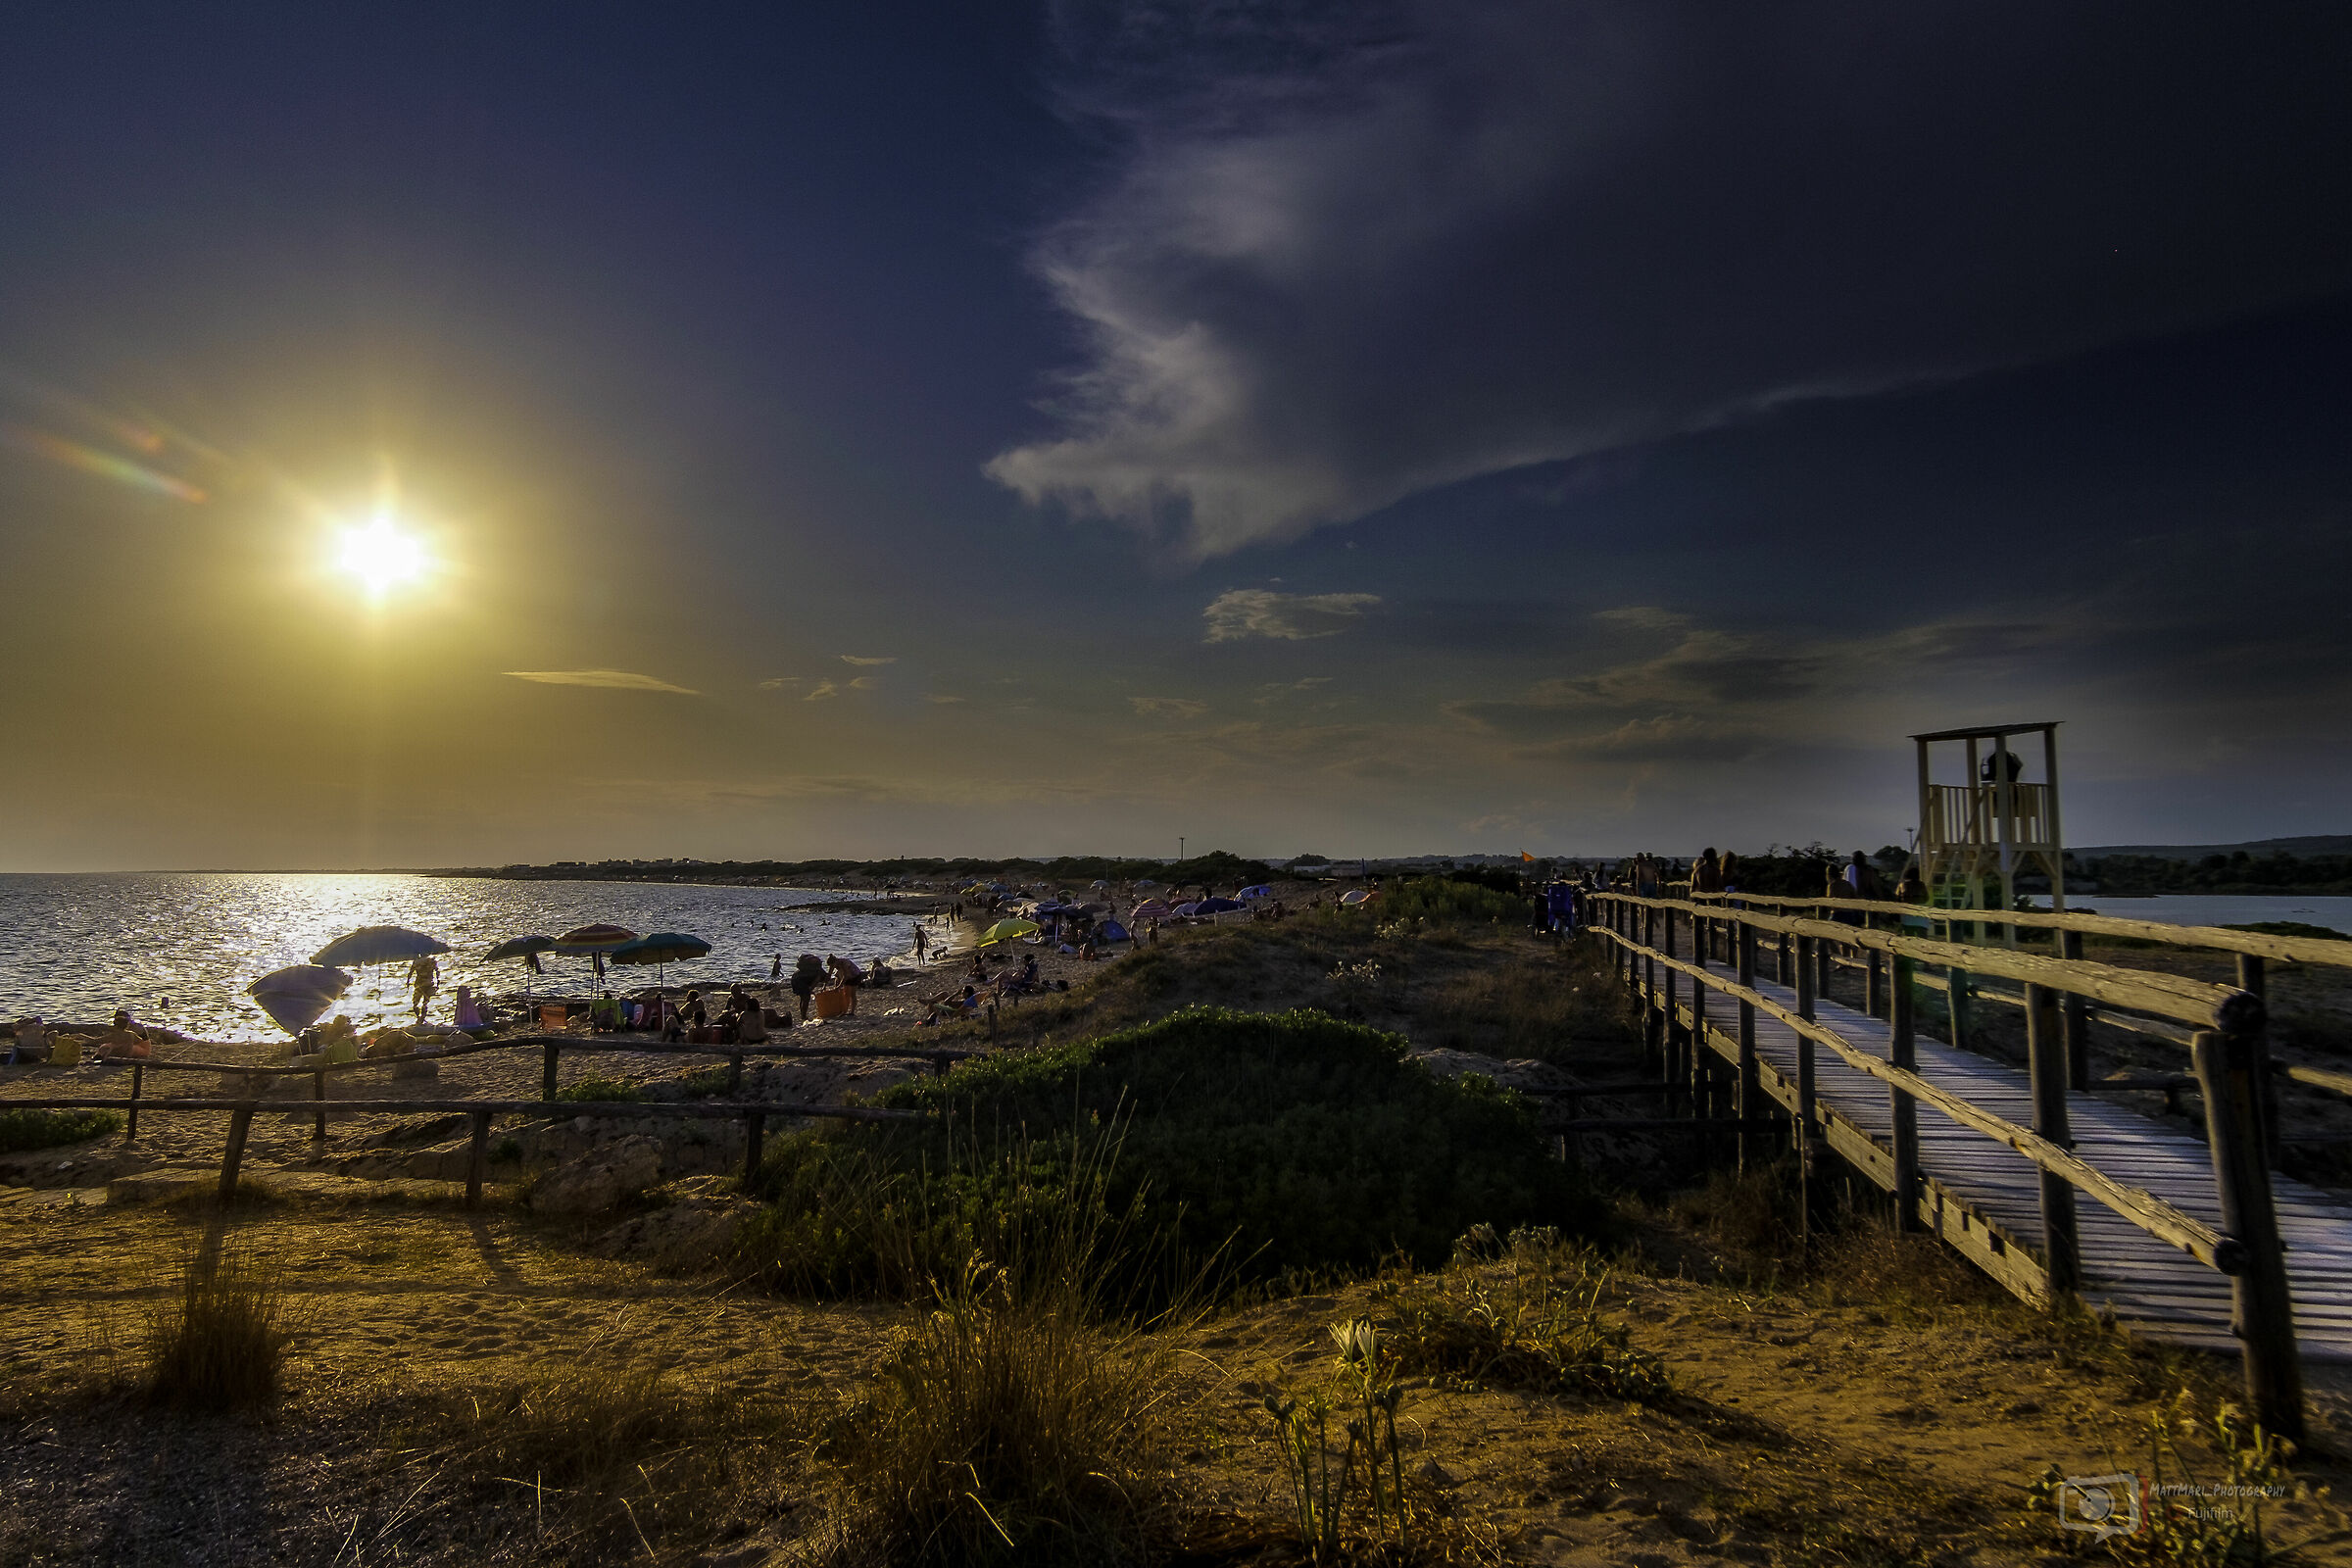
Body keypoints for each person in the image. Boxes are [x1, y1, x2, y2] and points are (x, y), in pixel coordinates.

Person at [790, 955, 824, 1020]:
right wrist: (810, 990)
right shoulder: (820, 973)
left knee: (803, 997)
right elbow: (815, 982)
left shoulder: (813, 969)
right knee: (806, 998)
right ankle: (804, 1016)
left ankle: (802, 1015)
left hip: (794, 978)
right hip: (799, 980)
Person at [409, 954, 440, 1023]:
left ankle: (419, 1018)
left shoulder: (416, 961)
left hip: (419, 984)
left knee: (415, 1003)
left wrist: (408, 982)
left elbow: (410, 973)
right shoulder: (432, 960)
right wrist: (438, 983)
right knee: (425, 1002)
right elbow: (437, 972)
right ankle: (422, 1018)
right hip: (429, 983)